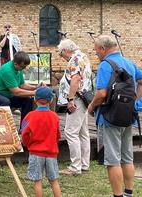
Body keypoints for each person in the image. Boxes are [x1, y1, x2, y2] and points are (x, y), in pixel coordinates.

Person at [88, 35, 142, 197]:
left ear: (103, 49)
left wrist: (91, 106)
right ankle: (128, 193)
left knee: (112, 160)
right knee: (127, 157)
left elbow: (101, 94)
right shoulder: (129, 63)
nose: (96, 53)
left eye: (96, 49)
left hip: (109, 117)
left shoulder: (105, 65)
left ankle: (117, 195)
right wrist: (136, 101)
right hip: (128, 116)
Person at [57, 39, 92, 175]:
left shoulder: (75, 59)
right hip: (84, 98)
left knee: (71, 132)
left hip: (77, 98)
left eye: (61, 54)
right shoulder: (83, 56)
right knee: (83, 133)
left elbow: (76, 79)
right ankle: (84, 164)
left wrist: (70, 99)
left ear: (66, 50)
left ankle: (75, 166)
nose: (62, 57)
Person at [21, 86, 62, 197]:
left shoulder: (29, 116)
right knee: (54, 181)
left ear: (35, 99)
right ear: (51, 100)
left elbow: (24, 133)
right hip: (51, 153)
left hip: (36, 153)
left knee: (37, 181)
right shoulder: (55, 117)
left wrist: (27, 144)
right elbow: (58, 135)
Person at [0, 51, 36, 131]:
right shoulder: (7, 70)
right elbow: (16, 92)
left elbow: (22, 85)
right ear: (15, 64)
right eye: (23, 67)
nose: (25, 68)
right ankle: (3, 129)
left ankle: (24, 128)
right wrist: (35, 93)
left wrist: (36, 87)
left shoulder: (18, 69)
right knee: (5, 102)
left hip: (8, 95)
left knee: (27, 100)